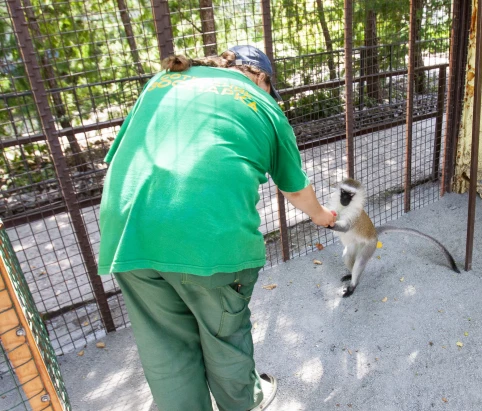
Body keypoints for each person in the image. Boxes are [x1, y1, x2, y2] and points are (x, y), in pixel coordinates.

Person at [97, 45, 336, 411]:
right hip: (209, 238)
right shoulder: (264, 104)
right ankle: (243, 403)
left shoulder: (164, 80)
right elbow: (294, 188)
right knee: (224, 335)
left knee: (166, 346)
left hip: (126, 232)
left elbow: (117, 156)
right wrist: (321, 216)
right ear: (261, 78)